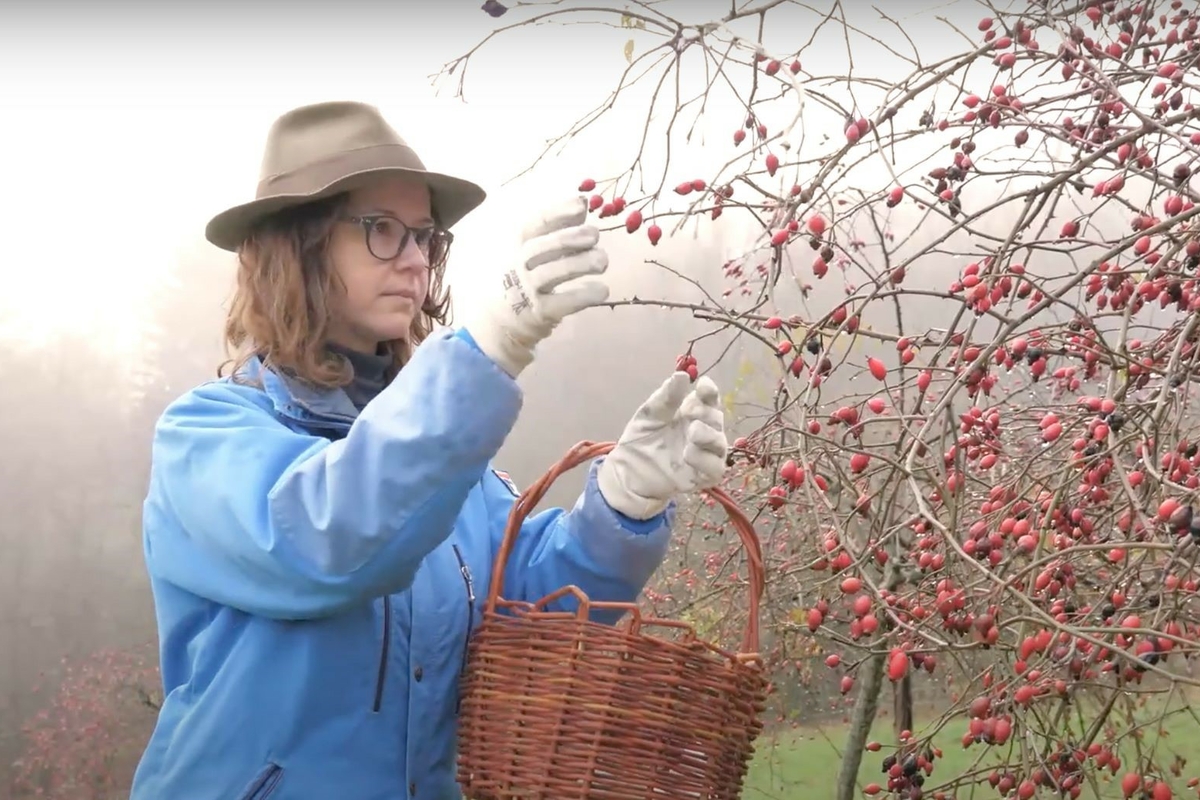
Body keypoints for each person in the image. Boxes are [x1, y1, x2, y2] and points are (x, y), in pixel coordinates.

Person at [128, 100, 730, 800]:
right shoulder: (203, 437)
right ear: (298, 245)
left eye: (426, 237)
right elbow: (323, 535)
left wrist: (624, 505)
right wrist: (486, 351)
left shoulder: (455, 473)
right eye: (382, 230)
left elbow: (532, 617)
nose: (416, 260)